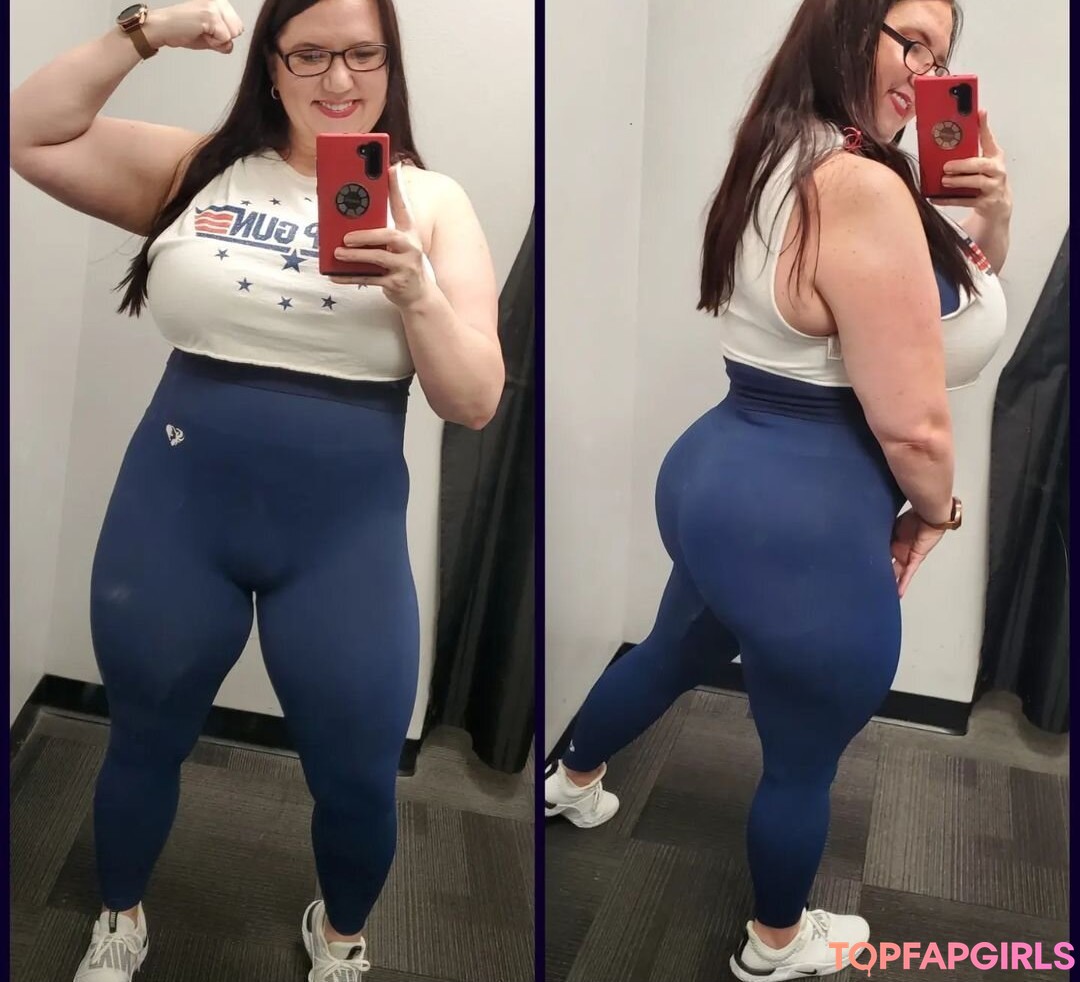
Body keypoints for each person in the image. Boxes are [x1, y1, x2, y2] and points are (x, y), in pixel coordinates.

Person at [11, 0, 503, 979]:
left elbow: (475, 400)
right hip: (176, 514)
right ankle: (118, 917)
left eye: (361, 54)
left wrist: (416, 292)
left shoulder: (432, 201)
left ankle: (342, 936)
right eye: (309, 54)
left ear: (389, 65)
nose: (338, 79)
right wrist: (146, 31)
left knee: (358, 776)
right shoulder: (199, 169)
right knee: (143, 737)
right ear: (270, 67)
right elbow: (28, 132)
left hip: (342, 541)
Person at [544, 0, 1009, 977]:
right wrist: (936, 513)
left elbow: (944, 307)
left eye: (942, 57)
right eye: (912, 42)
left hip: (718, 478)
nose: (926, 72)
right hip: (803, 514)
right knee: (803, 758)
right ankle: (775, 944)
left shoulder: (785, 143)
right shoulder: (864, 185)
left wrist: (991, 217)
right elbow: (915, 425)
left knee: (674, 647)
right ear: (846, 24)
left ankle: (571, 777)